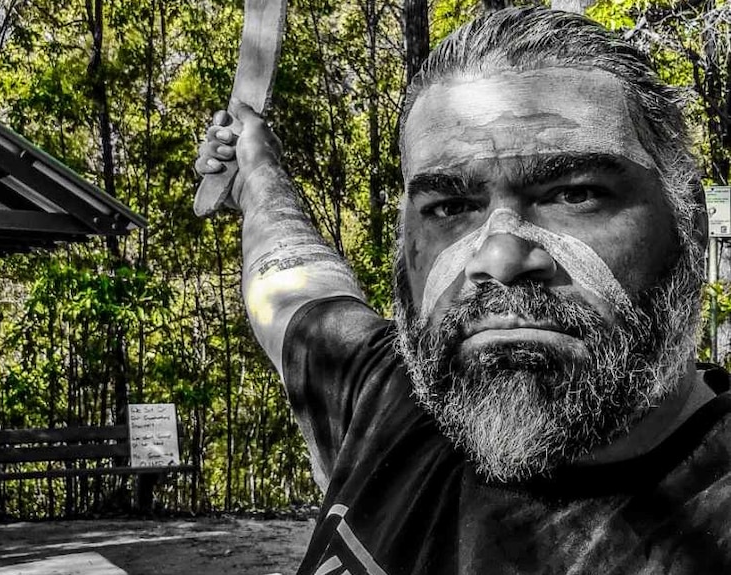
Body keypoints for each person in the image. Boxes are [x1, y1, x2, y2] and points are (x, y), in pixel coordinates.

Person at [195, 6, 731, 574]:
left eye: (574, 193)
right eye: (451, 206)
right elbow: (288, 284)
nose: (498, 258)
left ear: (689, 221)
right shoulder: (388, 403)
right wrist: (256, 172)